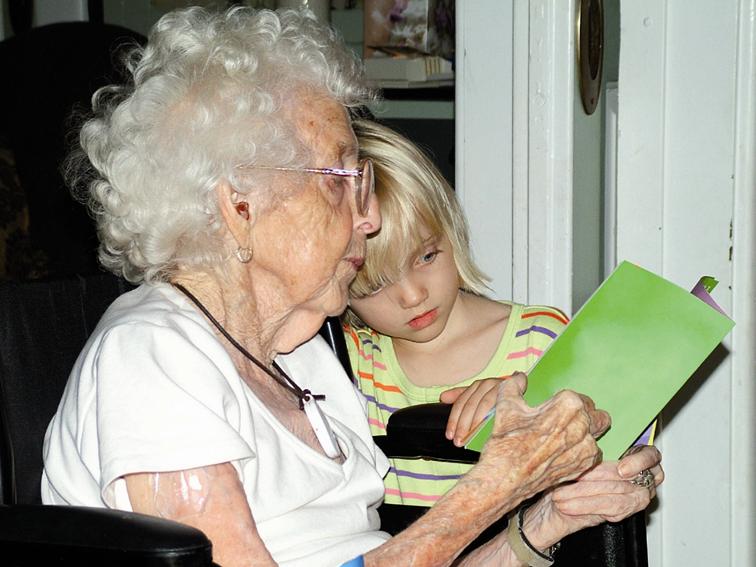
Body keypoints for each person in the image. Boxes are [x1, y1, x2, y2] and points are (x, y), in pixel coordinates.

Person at [42, 6, 626, 566]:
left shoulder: (301, 359)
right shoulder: (151, 356)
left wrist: (546, 519)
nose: (368, 218)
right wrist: (497, 487)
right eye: (340, 179)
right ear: (240, 207)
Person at [345, 119, 664, 553]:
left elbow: (619, 454)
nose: (413, 296)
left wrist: (532, 405)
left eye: (427, 256)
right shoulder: (350, 363)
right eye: (376, 283)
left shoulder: (540, 338)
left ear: (452, 229)